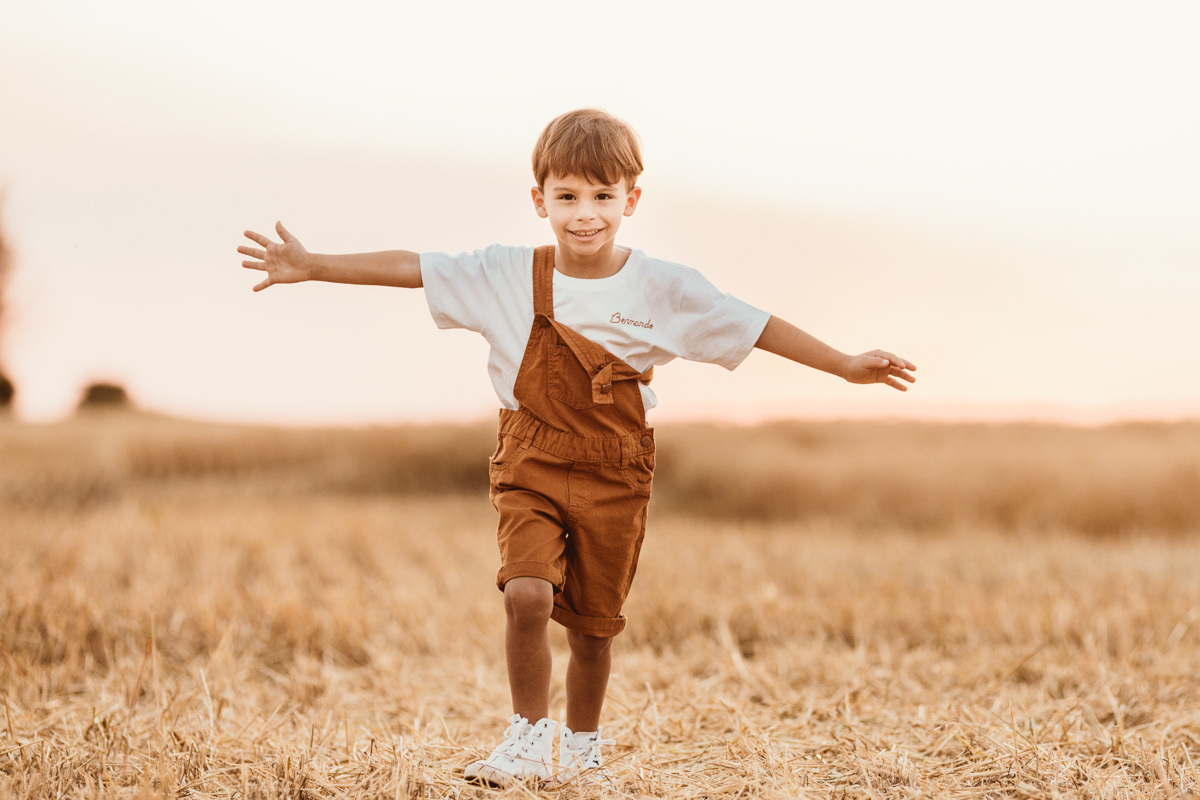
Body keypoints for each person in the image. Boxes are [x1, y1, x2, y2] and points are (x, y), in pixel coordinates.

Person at [238, 108, 916, 788]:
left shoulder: (665, 288)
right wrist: (314, 264)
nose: (584, 214)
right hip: (529, 458)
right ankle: (527, 737)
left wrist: (846, 364)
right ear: (540, 201)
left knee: (593, 632)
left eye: (601, 196)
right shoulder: (505, 274)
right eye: (566, 196)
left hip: (616, 469)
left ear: (631, 199)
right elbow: (416, 267)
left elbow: (756, 325)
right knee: (526, 596)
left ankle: (582, 751)